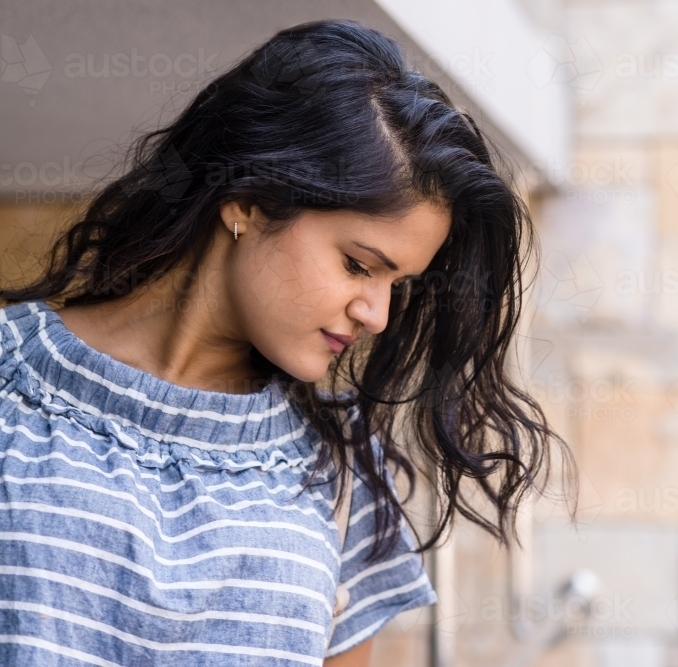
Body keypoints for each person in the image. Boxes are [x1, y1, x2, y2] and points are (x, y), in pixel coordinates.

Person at [0, 19, 575, 667]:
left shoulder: (341, 470)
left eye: (399, 283)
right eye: (359, 264)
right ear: (247, 199)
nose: (379, 314)